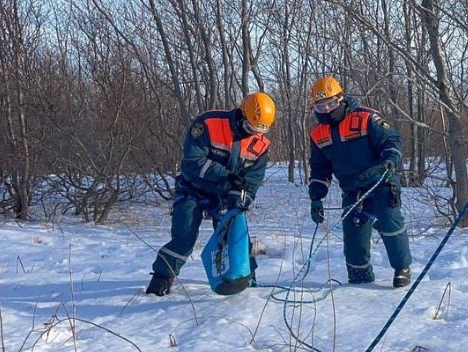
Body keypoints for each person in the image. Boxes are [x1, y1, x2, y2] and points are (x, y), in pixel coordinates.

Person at [146, 92, 275, 296]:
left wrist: (241, 200)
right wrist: (227, 176)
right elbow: (193, 161)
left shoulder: (261, 146)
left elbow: (252, 181)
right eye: (250, 128)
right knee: (184, 237)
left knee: (237, 238)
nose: (253, 133)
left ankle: (246, 279)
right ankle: (162, 276)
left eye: (259, 130)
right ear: (242, 115)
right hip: (193, 188)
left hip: (225, 195)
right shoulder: (208, 123)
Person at [306, 76, 412, 287]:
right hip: (352, 189)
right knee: (353, 235)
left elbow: (391, 140)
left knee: (389, 221)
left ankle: (402, 267)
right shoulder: (318, 133)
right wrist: (316, 197)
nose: (327, 109)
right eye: (321, 106)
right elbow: (320, 169)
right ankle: (359, 277)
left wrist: (390, 160)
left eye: (331, 103)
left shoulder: (365, 118)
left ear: (341, 98)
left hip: (381, 181)